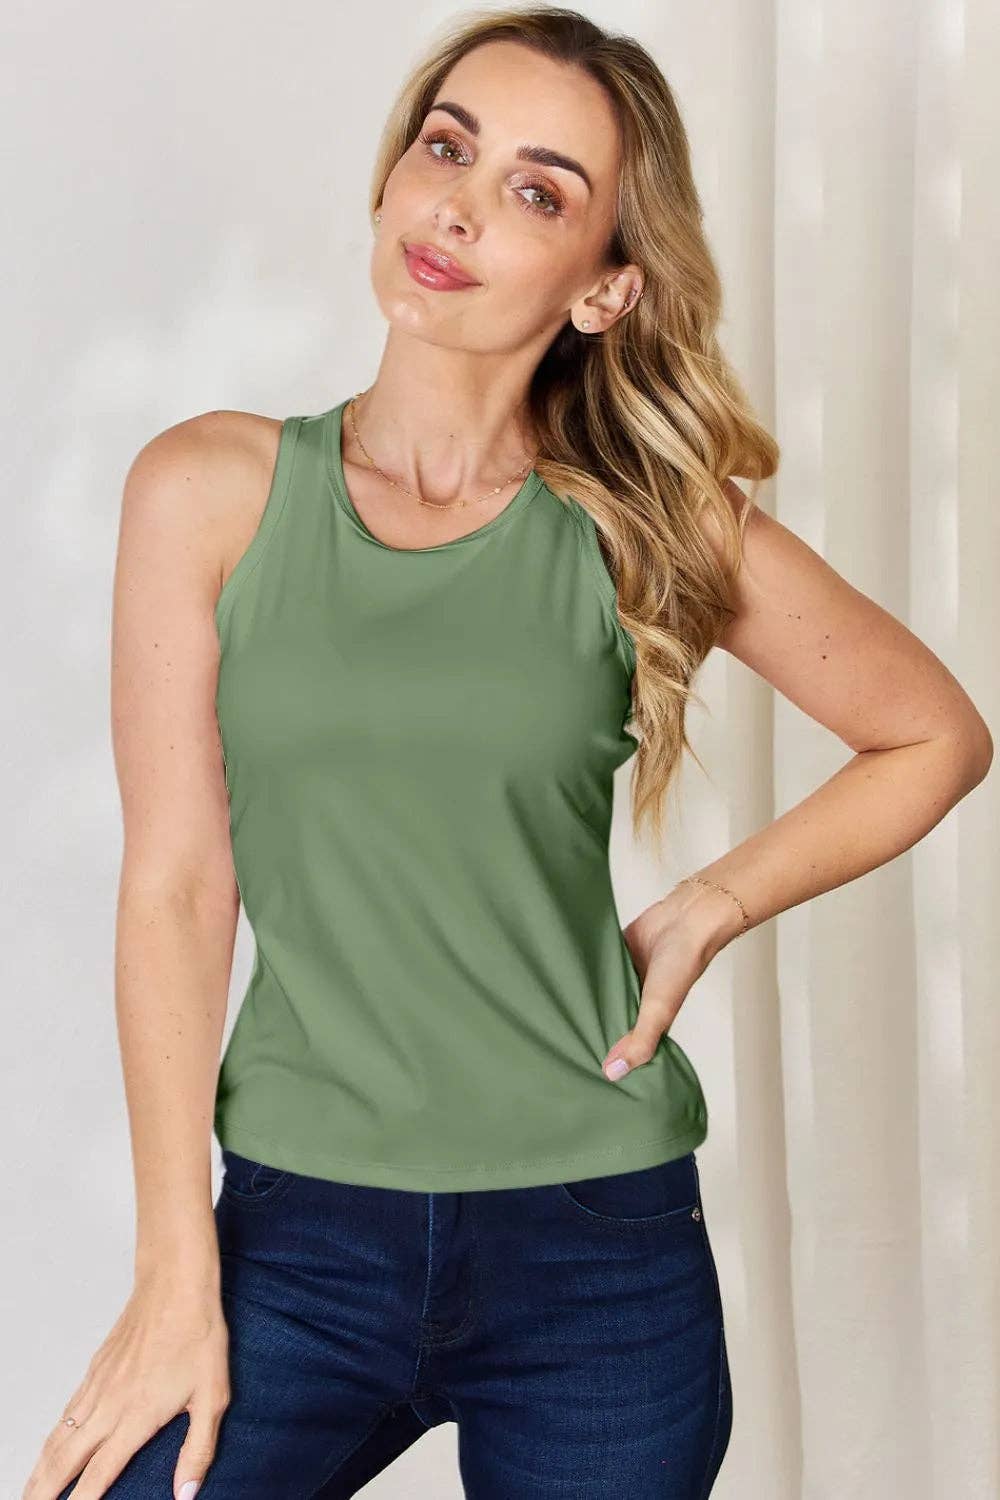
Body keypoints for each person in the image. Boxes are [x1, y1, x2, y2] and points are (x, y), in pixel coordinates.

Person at [27, 7, 993, 1499]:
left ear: (605, 287)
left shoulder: (642, 527)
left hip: (595, 1254)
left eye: (538, 191)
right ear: (393, 178)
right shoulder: (208, 491)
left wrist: (710, 905)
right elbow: (176, 884)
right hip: (300, 1237)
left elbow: (933, 732)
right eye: (447, 148)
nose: (461, 207)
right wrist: (175, 1274)